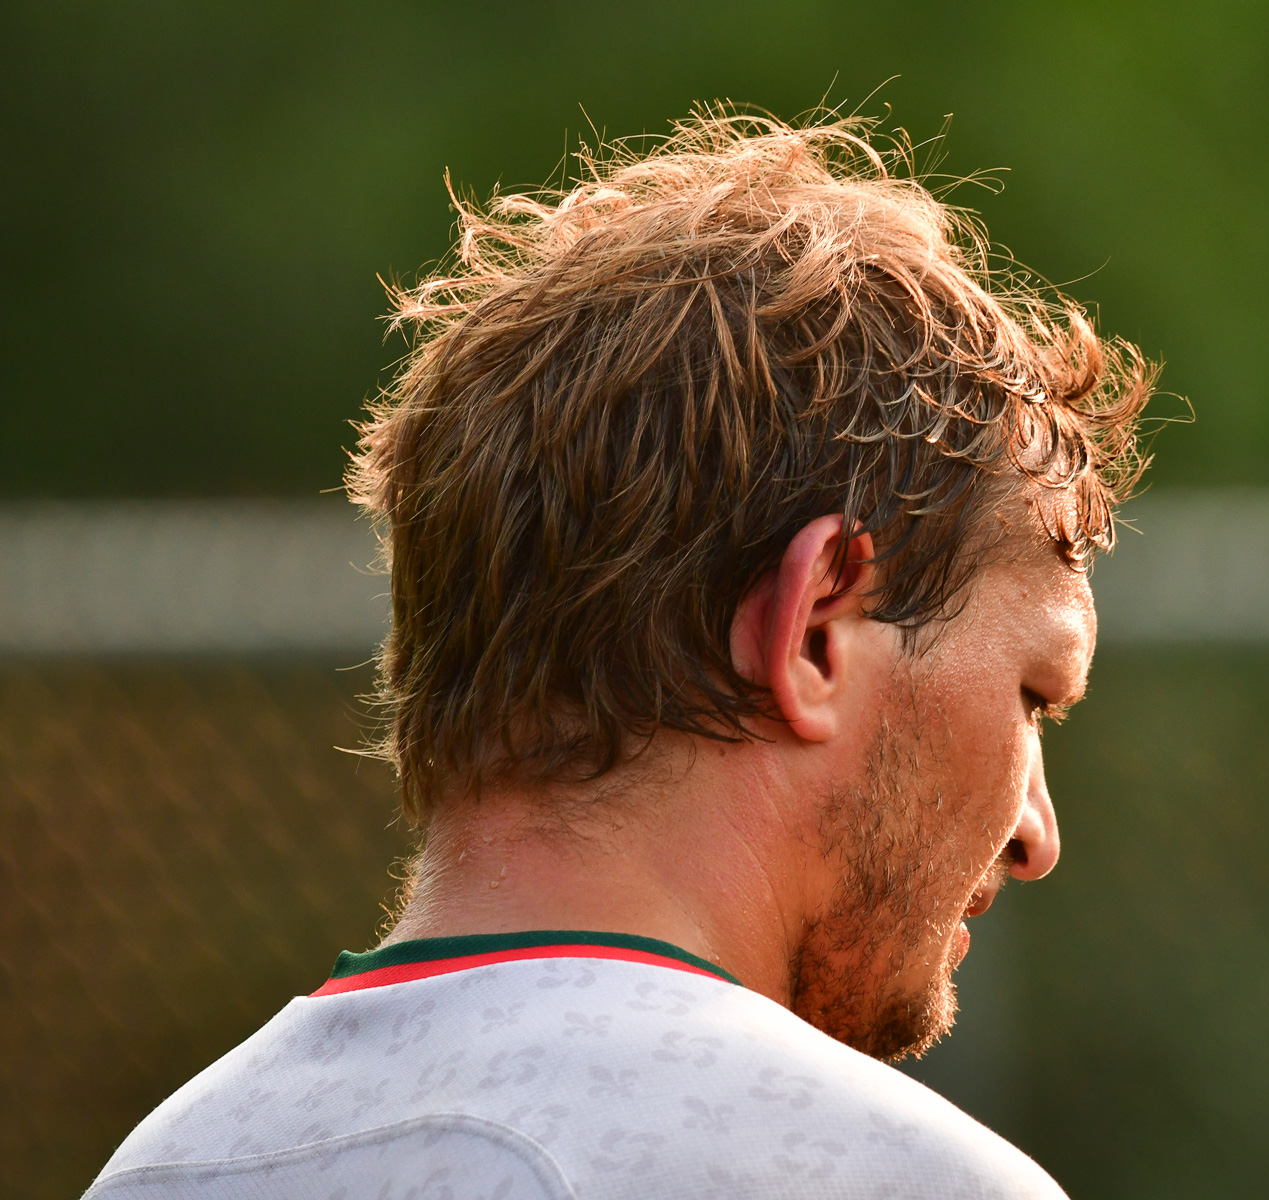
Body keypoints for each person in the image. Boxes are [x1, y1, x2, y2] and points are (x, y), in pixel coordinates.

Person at [84, 114, 1151, 1198]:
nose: (1035, 834)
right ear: (817, 631)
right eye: (1032, 696)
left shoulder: (166, 1169)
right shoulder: (883, 1177)